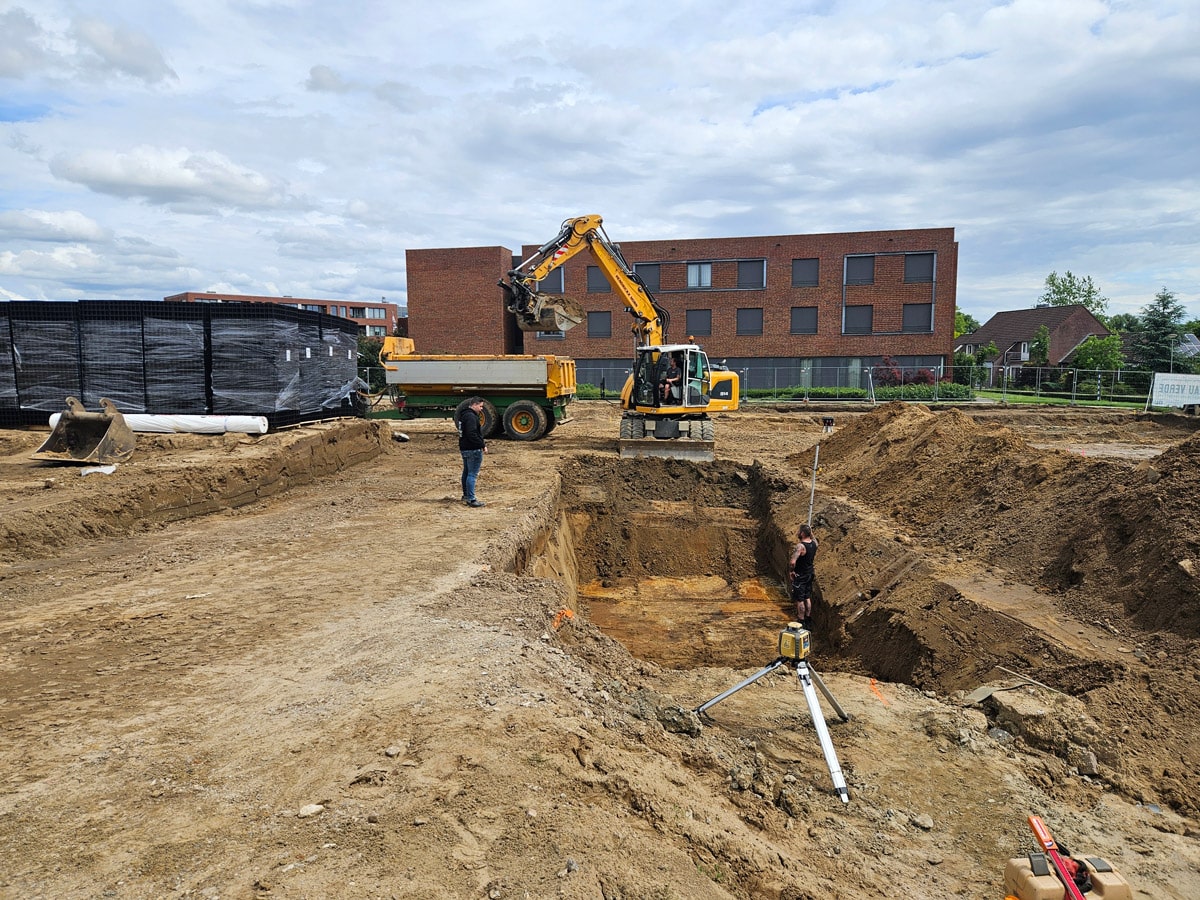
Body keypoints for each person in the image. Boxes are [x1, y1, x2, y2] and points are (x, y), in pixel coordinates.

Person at [457, 396, 487, 507]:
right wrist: (482, 445)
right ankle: (471, 499)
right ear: (474, 405)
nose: (481, 409)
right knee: (472, 474)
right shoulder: (471, 417)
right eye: (480, 406)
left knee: (466, 472)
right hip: (472, 449)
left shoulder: (464, 415)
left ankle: (466, 495)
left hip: (464, 448)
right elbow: (472, 433)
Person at [789, 523, 818, 628]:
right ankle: (808, 619)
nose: (797, 532)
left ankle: (801, 620)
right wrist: (810, 532)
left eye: (799, 531)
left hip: (800, 576)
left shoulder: (800, 546)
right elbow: (813, 538)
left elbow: (792, 562)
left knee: (800, 599)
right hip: (810, 574)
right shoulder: (815, 544)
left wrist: (791, 571)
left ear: (802, 533)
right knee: (807, 597)